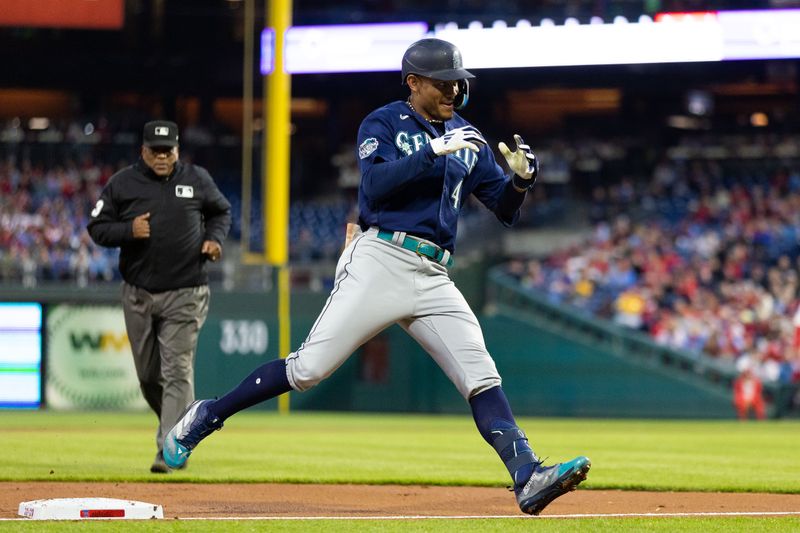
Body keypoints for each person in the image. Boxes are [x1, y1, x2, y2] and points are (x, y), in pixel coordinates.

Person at [162, 39, 590, 515]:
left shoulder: (468, 135)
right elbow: (375, 184)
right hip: (381, 256)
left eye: (457, 83)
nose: (454, 90)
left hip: (434, 272)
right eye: (443, 83)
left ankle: (527, 475)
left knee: (480, 373)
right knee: (309, 370)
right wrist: (431, 151)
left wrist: (521, 182)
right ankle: (207, 415)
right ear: (414, 83)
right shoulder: (384, 122)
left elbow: (504, 211)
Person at [87, 120, 231, 473]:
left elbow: (221, 211)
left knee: (177, 370)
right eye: (156, 150)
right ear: (143, 151)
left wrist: (215, 240)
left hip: (186, 290)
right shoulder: (122, 183)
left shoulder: (197, 178)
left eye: (169, 150)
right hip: (138, 293)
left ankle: (170, 448)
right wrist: (128, 230)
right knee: (149, 376)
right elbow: (96, 227)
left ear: (178, 150)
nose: (163, 157)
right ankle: (178, 425)